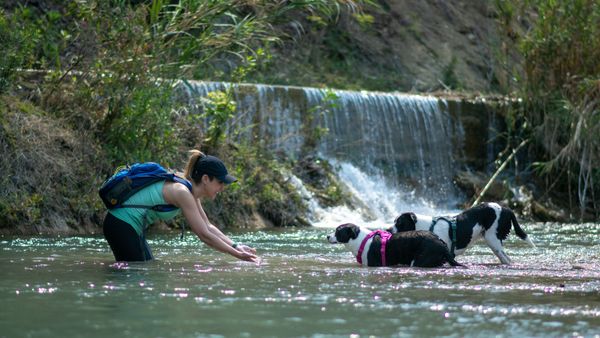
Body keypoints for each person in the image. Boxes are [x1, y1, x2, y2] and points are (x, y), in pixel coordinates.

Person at [102, 149, 259, 263]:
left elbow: (208, 226)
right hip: (121, 225)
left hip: (127, 226)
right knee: (134, 272)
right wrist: (237, 255)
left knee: (145, 268)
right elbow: (203, 234)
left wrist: (237, 246)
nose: (222, 187)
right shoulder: (182, 192)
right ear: (205, 179)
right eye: (220, 182)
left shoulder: (190, 192)